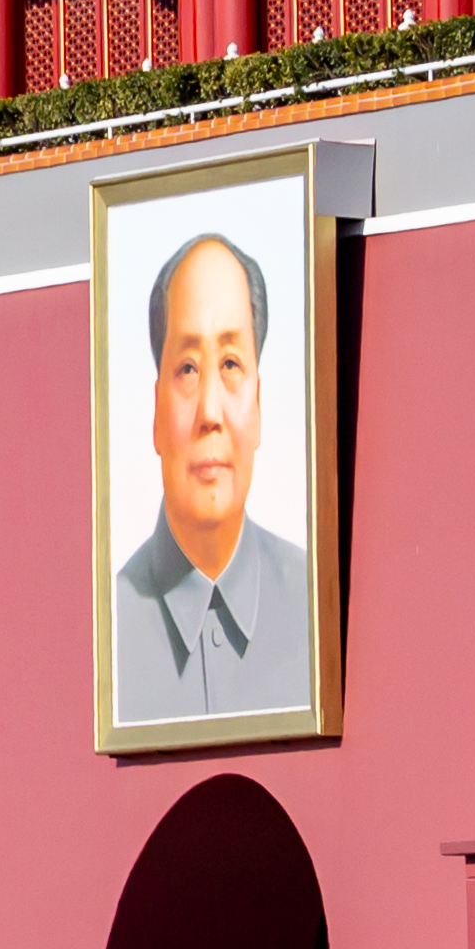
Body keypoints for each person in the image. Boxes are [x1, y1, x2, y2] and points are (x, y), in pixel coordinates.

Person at [113, 230, 312, 724]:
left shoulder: (316, 607)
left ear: (259, 406)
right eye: (186, 368)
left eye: (229, 364)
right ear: (156, 413)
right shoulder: (108, 630)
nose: (210, 412)